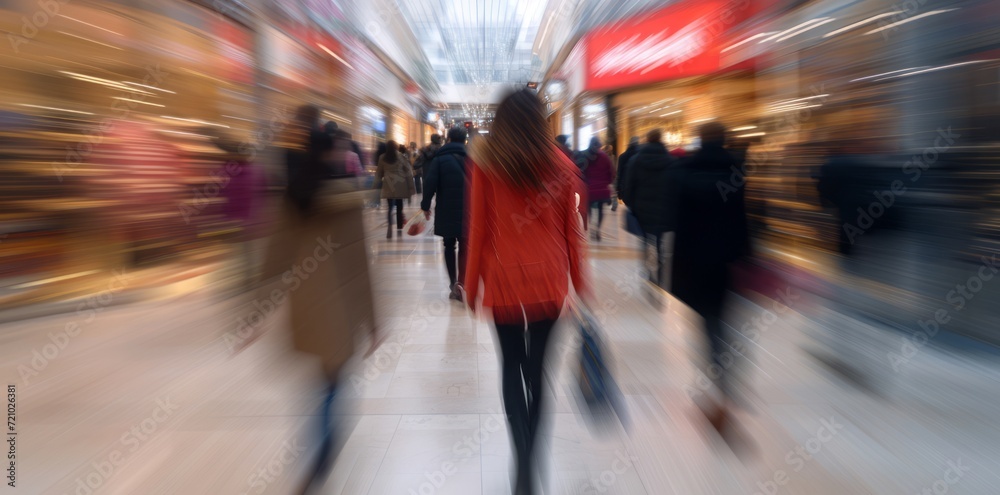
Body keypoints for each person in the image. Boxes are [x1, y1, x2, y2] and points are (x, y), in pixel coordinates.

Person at [465, 89, 590, 495]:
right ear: (541, 122)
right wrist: (581, 284)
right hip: (548, 283)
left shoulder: (486, 165)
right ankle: (531, 459)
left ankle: (519, 455)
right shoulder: (562, 166)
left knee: (511, 365)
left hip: (501, 279)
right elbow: (573, 231)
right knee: (538, 372)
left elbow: (479, 228)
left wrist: (470, 284)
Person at [261, 104, 381, 495]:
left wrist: (253, 313)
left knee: (318, 381)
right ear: (332, 154)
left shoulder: (291, 199)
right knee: (333, 383)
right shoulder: (347, 201)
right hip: (342, 307)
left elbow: (273, 260)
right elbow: (360, 265)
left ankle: (317, 452)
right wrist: (374, 322)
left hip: (307, 307)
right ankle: (323, 452)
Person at [668, 122, 749, 436]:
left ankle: (720, 390)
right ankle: (727, 388)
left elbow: (675, 219)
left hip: (693, 262)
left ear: (700, 141)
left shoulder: (683, 171)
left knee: (707, 326)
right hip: (727, 263)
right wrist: (747, 257)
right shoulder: (736, 171)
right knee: (724, 323)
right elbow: (743, 220)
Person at [420, 127, 468, 301]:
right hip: (469, 210)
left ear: (448, 139)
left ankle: (453, 283)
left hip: (446, 209)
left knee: (449, 246)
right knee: (465, 246)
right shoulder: (473, 158)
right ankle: (463, 284)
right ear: (464, 140)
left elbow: (430, 183)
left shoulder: (440, 159)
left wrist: (425, 205)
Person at [623, 129, 675, 288]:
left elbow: (628, 185)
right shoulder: (671, 160)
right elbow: (675, 186)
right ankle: (659, 271)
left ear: (648, 139)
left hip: (642, 208)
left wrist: (631, 204)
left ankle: (647, 270)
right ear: (661, 139)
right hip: (664, 208)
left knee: (645, 240)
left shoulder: (636, 160)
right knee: (660, 242)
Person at [376, 140, 415, 239]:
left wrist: (375, 186)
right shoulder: (401, 157)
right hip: (400, 185)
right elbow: (408, 172)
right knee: (399, 207)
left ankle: (389, 226)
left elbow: (378, 174)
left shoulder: (382, 157)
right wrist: (411, 187)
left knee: (389, 208)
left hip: (388, 185)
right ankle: (399, 227)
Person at [579, 137, 615, 241]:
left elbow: (581, 170)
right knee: (600, 210)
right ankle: (598, 229)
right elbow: (611, 172)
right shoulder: (604, 157)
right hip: (602, 189)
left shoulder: (584, 155)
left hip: (588, 188)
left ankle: (591, 227)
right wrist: (608, 182)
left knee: (589, 209)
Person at [615, 137, 640, 202]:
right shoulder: (640, 156)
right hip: (638, 187)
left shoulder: (622, 156)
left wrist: (618, 189)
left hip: (625, 187)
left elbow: (619, 173)